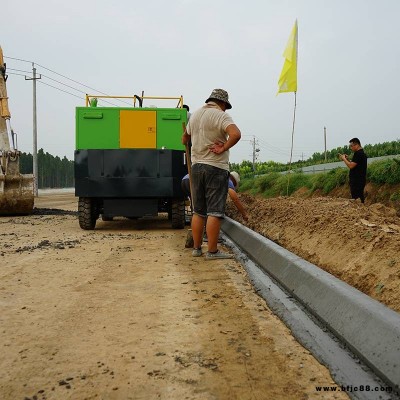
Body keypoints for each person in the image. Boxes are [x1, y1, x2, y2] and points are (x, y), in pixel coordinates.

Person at [182, 88, 241, 260]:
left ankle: (197, 248)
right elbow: (236, 134)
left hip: (197, 167)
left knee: (199, 211)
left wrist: (189, 136)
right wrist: (223, 147)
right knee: (214, 211)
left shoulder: (195, 116)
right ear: (222, 103)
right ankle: (212, 251)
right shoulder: (220, 116)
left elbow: (184, 139)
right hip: (215, 167)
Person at [181, 171, 248, 221]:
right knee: (206, 209)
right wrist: (244, 214)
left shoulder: (219, 176)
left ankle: (195, 230)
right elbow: (235, 199)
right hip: (193, 181)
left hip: (185, 180)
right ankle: (206, 232)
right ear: (234, 180)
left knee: (196, 207)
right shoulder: (228, 180)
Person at [339, 138, 368, 203]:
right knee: (359, 196)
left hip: (357, 180)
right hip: (359, 179)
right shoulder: (361, 153)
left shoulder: (358, 154)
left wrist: (344, 159)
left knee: (357, 198)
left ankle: (360, 211)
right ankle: (361, 210)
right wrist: (347, 159)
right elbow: (354, 164)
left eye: (351, 146)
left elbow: (351, 166)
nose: (350, 148)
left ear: (356, 145)